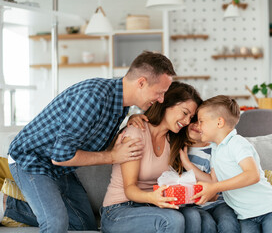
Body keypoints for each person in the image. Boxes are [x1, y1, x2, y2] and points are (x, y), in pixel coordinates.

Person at [4, 51, 176, 232]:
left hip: (59, 165)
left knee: (85, 224)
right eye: (160, 92)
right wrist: (112, 157)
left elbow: (93, 139)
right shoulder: (94, 98)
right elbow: (61, 156)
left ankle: (12, 207)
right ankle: (15, 206)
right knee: (55, 223)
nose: (161, 99)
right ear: (141, 83)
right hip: (31, 159)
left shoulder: (120, 105)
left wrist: (127, 125)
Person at [101, 81, 202, 233]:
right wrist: (153, 198)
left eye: (191, 117)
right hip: (119, 209)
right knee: (172, 219)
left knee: (193, 215)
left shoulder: (173, 139)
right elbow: (129, 189)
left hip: (151, 206)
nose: (187, 121)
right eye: (185, 113)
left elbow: (208, 133)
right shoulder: (136, 133)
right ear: (167, 103)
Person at [193, 95, 272, 233]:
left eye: (201, 121)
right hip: (245, 216)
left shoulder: (237, 143)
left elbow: (252, 175)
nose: (198, 125)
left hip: (269, 209)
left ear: (219, 122)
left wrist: (214, 187)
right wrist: (206, 190)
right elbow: (214, 182)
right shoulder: (215, 149)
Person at [179, 120, 241, 233]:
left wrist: (187, 164)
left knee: (228, 224)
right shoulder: (180, 149)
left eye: (201, 122)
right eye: (193, 121)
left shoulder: (215, 149)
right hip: (194, 206)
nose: (196, 125)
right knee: (207, 225)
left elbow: (213, 183)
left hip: (218, 203)